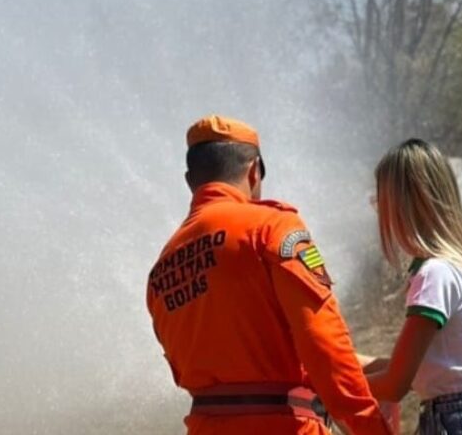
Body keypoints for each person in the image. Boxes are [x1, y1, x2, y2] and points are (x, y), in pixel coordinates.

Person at [146, 115, 392, 435]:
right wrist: (372, 427)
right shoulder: (273, 228)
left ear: (190, 180)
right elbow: (324, 341)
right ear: (254, 170)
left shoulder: (160, 271)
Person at [361, 139, 462, 435]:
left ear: (403, 206)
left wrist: (327, 387)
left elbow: (397, 384)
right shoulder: (454, 267)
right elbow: (414, 370)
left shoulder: (434, 275)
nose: (378, 213)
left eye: (381, 201)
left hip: (454, 418)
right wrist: (334, 362)